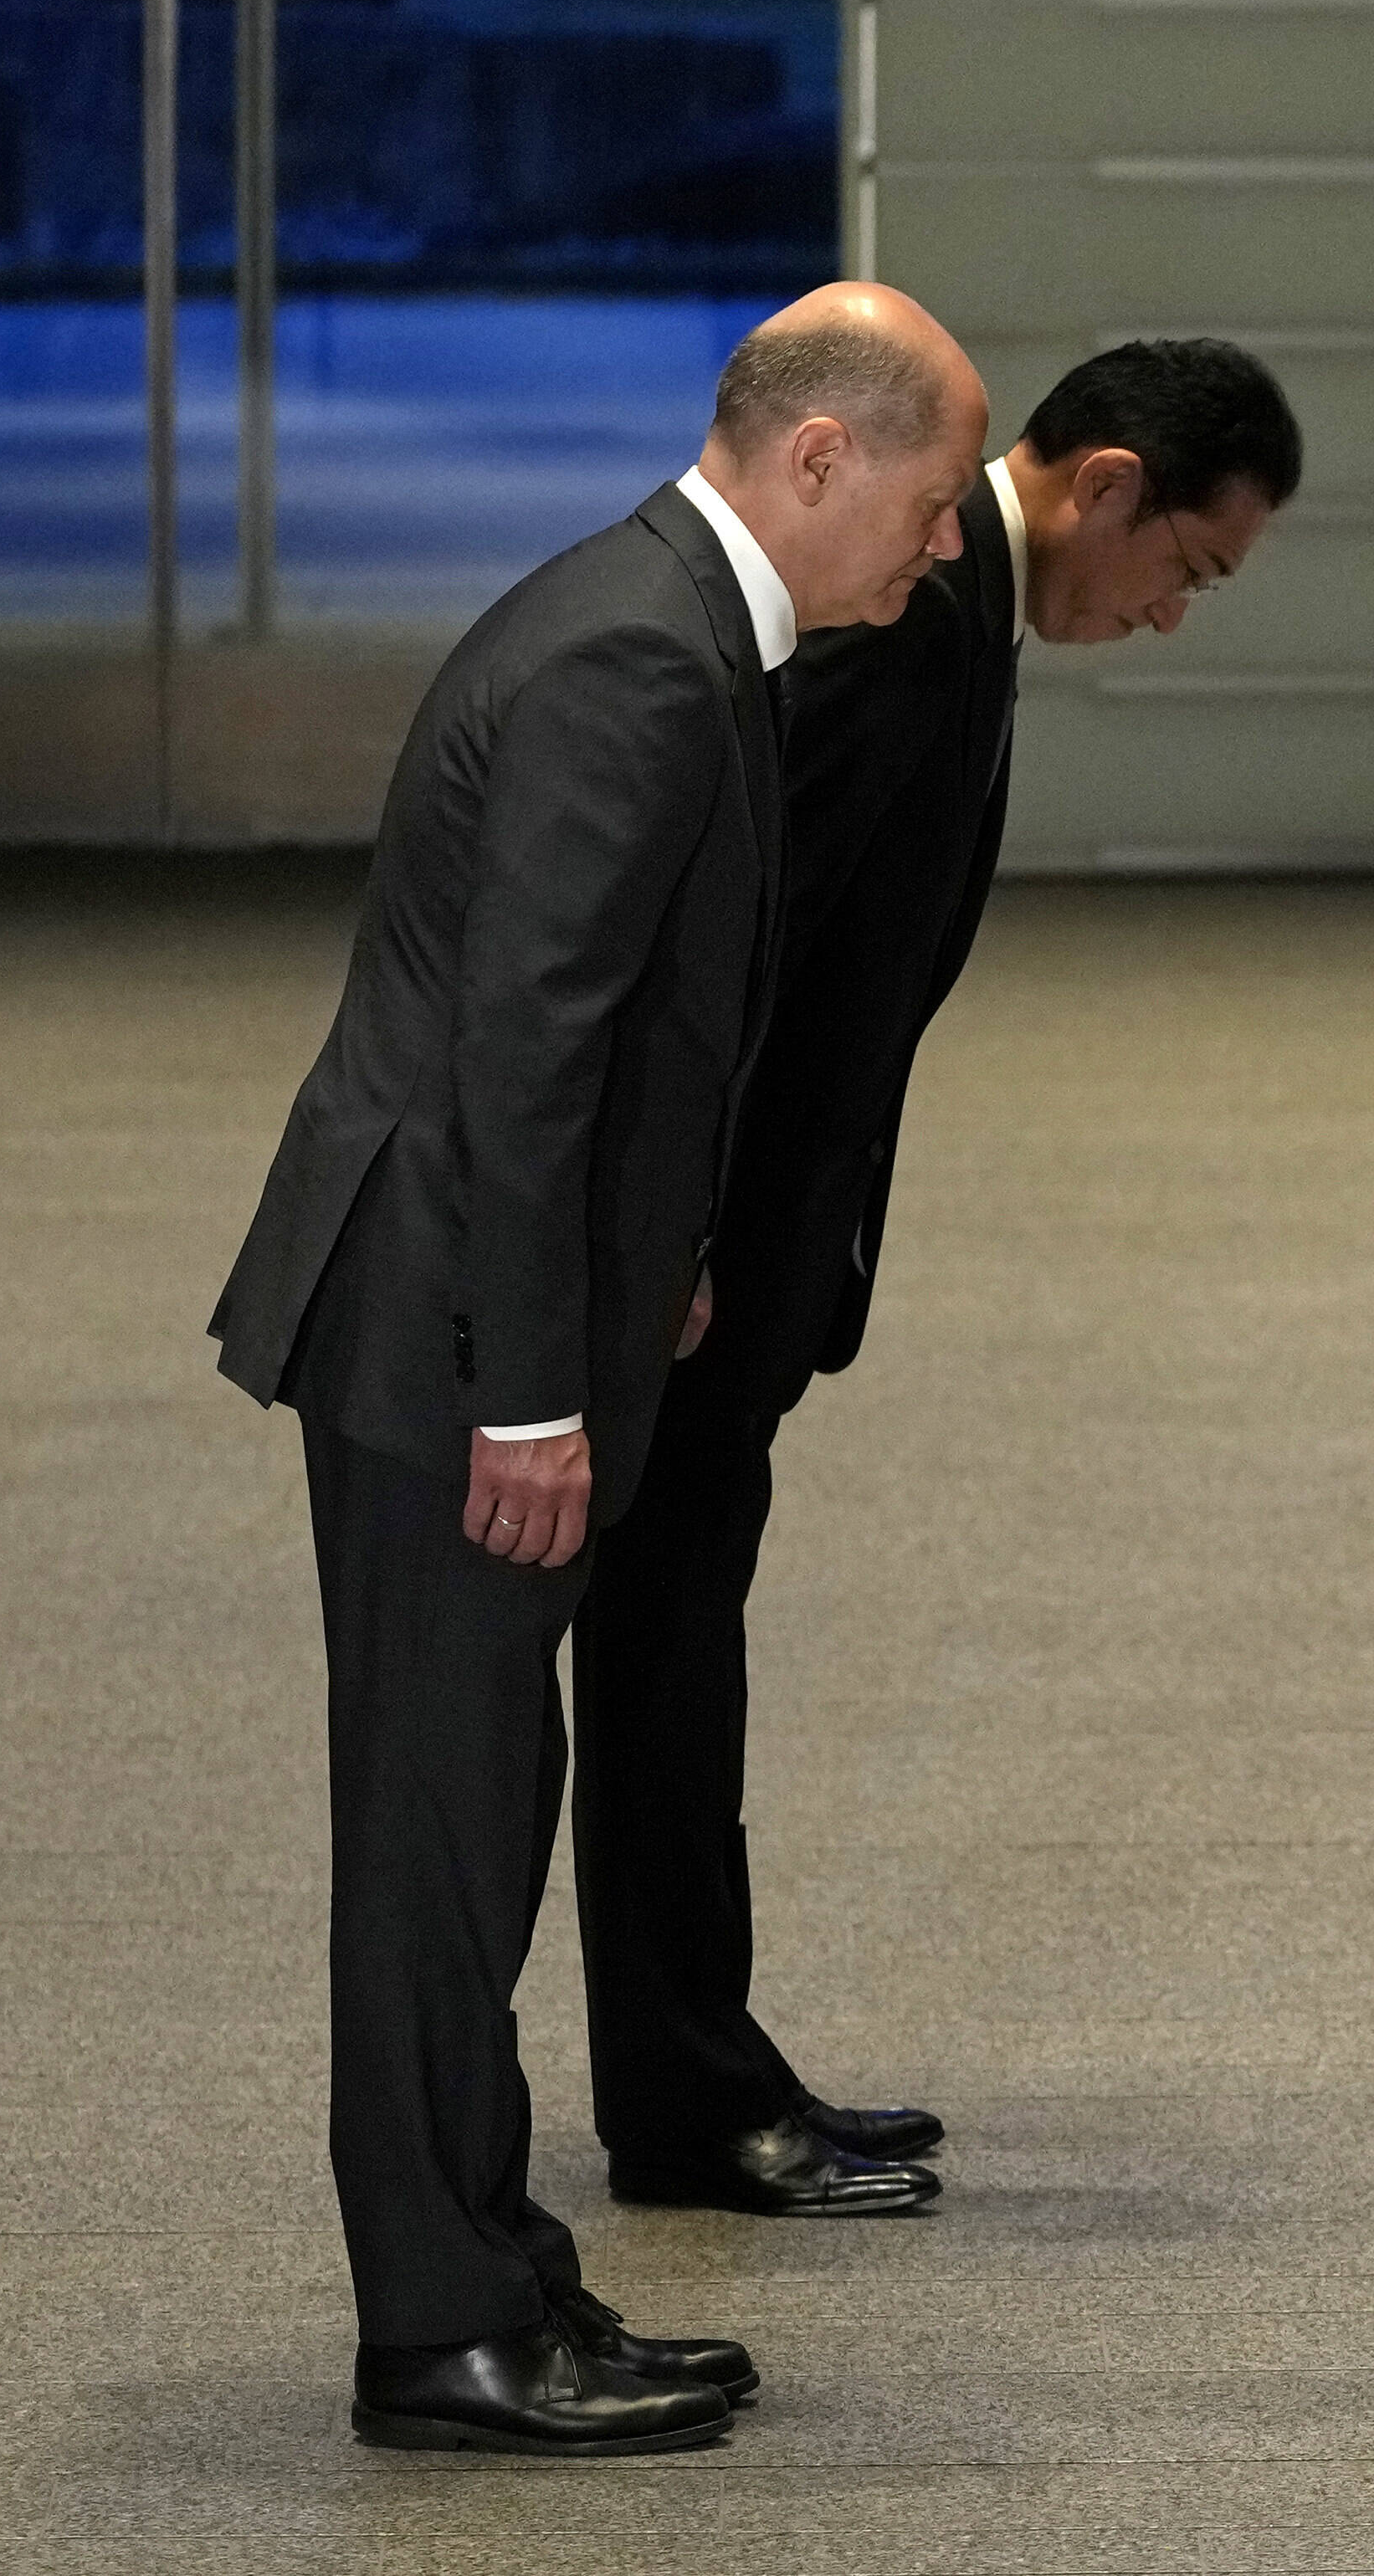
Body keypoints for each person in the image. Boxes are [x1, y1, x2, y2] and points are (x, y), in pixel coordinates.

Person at [206, 284, 984, 2454]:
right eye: (926, 509)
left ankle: (490, 2263)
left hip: (494, 1300)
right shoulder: (641, 655)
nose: (938, 554)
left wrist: (652, 1278)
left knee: (481, 1809)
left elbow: (623, 1026)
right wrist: (535, 1385)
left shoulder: (676, 625)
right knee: (444, 1833)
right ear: (814, 458)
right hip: (447, 1329)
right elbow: (521, 1050)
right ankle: (444, 2327)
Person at [573, 337, 1305, 2222]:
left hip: (749, 1234)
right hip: (703, 1252)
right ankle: (682, 2096)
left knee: (684, 1640)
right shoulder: (915, 606)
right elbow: (741, 940)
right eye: (1188, 573)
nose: (1166, 620)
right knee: (663, 1651)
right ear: (1112, 483)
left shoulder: (951, 608)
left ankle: (704, 2066)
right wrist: (696, 1244)